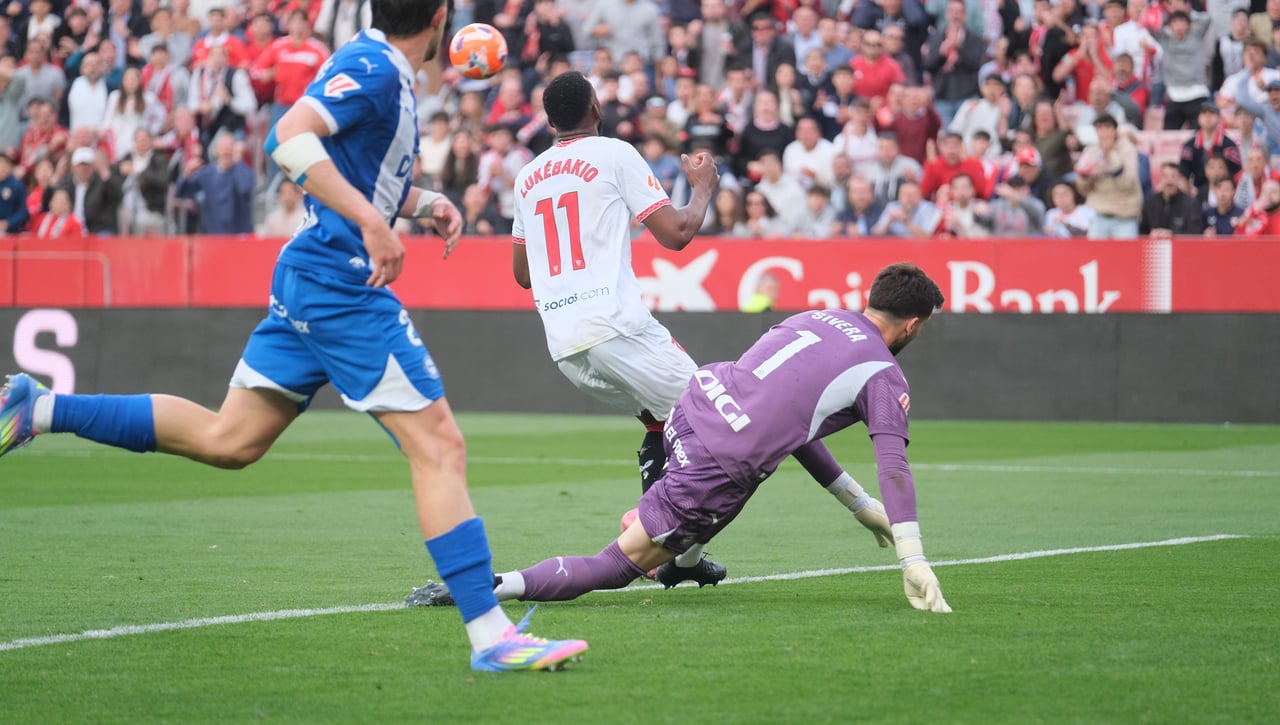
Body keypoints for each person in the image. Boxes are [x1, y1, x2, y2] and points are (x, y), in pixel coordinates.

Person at [0, 0, 587, 674]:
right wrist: (374, 222)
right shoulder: (375, 67)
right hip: (340, 284)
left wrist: (421, 202)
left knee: (229, 439)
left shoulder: (375, 63)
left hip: (310, 273)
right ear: (441, 17)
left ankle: (38, 408)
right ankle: (491, 635)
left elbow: (344, 164)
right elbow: (288, 137)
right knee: (440, 445)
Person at [405, 263, 952, 615]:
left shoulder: (819, 316)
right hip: (720, 458)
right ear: (913, 325)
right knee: (617, 565)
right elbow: (894, 467)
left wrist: (859, 505)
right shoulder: (883, 374)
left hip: (694, 403)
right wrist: (913, 559)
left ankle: (681, 553)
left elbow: (789, 426)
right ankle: (487, 586)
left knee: (737, 481)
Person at [495, 69, 729, 588]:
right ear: (596, 109)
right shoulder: (615, 153)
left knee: (661, 423)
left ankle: (678, 560)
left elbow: (522, 274)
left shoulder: (527, 176)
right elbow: (677, 234)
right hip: (616, 326)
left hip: (565, 343)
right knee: (718, 421)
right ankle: (659, 538)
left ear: (549, 121)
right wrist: (701, 189)